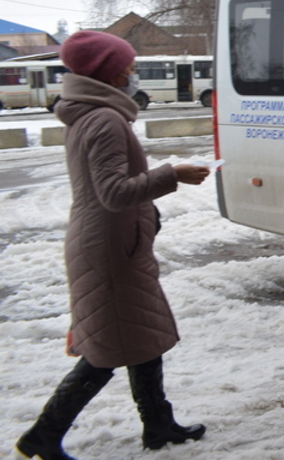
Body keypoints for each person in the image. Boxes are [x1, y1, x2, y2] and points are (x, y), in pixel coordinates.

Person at [16, 31, 211, 460]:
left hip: (114, 244)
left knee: (143, 336)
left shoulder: (91, 114)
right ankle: (42, 438)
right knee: (105, 350)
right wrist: (171, 174)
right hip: (109, 250)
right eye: (129, 66)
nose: (133, 72)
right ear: (111, 71)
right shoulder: (104, 119)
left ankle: (159, 425)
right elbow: (114, 193)